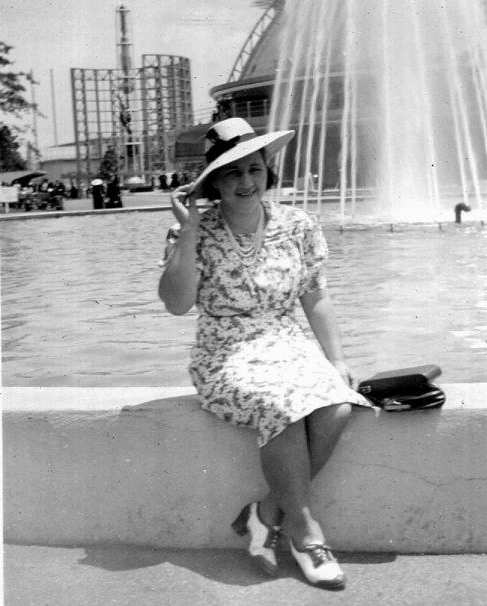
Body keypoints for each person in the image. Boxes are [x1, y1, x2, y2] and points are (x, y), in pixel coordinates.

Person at [158, 118, 373, 590]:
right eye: (232, 173)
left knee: (337, 405)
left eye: (254, 169)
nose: (246, 182)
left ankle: (264, 513)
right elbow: (176, 304)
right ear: (214, 182)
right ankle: (304, 532)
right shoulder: (197, 230)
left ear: (267, 171)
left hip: (287, 343)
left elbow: (315, 295)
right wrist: (190, 233)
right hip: (225, 351)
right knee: (281, 405)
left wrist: (336, 359)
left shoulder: (297, 224)